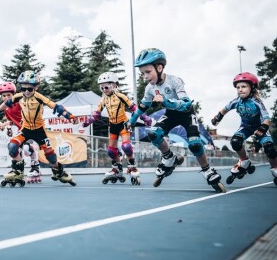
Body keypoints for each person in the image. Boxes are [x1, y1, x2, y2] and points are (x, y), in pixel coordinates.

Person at [126, 48, 226, 192]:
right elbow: (142, 107)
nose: (145, 77)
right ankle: (169, 157)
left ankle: (207, 170)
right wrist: (131, 121)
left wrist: (166, 101)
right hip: (171, 115)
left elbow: (186, 103)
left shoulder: (175, 81)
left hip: (186, 114)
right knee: (154, 133)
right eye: (142, 74)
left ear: (159, 67)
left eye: (148, 72)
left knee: (195, 144)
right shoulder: (150, 88)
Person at [0, 70, 78, 187]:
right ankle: (18, 171)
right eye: (23, 89)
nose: (26, 92)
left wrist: (69, 116)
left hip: (39, 130)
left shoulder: (39, 97)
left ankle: (59, 172)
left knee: (50, 155)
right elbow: (6, 104)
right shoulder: (18, 96)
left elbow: (56, 107)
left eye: (29, 89)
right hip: (25, 129)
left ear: (35, 87)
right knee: (12, 146)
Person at [79, 72, 151, 185]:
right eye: (101, 87)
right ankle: (117, 168)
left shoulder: (120, 96)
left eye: (106, 87)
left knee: (126, 146)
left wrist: (144, 117)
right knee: (111, 151)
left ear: (114, 85)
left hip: (123, 124)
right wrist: (87, 122)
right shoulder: (103, 100)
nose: (104, 89)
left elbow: (134, 107)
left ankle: (132, 166)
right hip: (112, 125)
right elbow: (97, 114)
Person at [211, 72, 277, 185]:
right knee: (235, 142)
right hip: (245, 127)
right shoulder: (236, 101)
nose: (240, 89)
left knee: (270, 149)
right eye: (238, 87)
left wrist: (264, 127)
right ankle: (244, 161)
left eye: (243, 86)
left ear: (252, 88)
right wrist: (218, 117)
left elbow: (266, 117)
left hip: (260, 128)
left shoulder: (257, 102)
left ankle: (275, 168)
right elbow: (225, 109)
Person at [0, 81, 42, 184]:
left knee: (26, 149)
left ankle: (35, 166)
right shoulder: (6, 109)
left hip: (31, 129)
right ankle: (18, 169)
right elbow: (11, 120)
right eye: (4, 96)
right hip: (21, 131)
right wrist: (6, 126)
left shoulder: (20, 103)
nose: (6, 97)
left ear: (14, 95)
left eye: (9, 95)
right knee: (12, 147)